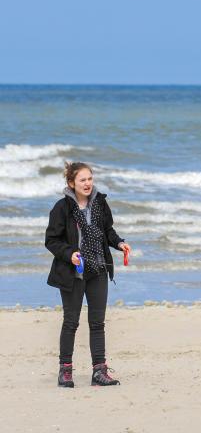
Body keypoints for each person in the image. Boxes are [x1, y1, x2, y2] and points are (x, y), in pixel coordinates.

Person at [45, 162, 131, 388]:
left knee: (97, 323)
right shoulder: (62, 208)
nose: (87, 183)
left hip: (98, 270)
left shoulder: (100, 203)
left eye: (90, 179)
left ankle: (99, 371)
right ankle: (65, 371)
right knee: (70, 322)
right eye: (82, 180)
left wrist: (119, 243)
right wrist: (69, 254)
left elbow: (108, 231)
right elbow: (51, 240)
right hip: (72, 273)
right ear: (71, 183)